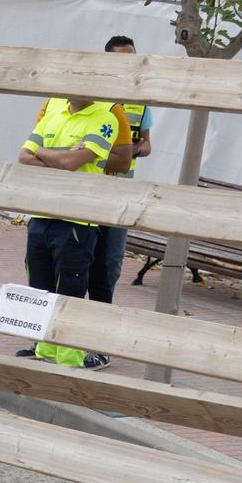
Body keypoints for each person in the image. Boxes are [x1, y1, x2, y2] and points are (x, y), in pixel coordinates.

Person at [16, 94, 130, 368]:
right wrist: (60, 155)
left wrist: (43, 152)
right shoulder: (53, 111)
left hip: (76, 219)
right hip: (42, 213)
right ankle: (45, 353)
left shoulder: (106, 117)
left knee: (70, 289)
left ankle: (70, 360)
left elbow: (71, 164)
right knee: (40, 289)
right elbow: (23, 156)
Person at [91, 35, 154, 304]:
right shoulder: (92, 99)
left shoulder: (139, 101)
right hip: (91, 184)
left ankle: (98, 328)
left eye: (134, 60)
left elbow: (147, 144)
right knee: (78, 258)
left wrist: (133, 149)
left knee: (110, 261)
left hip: (121, 187)